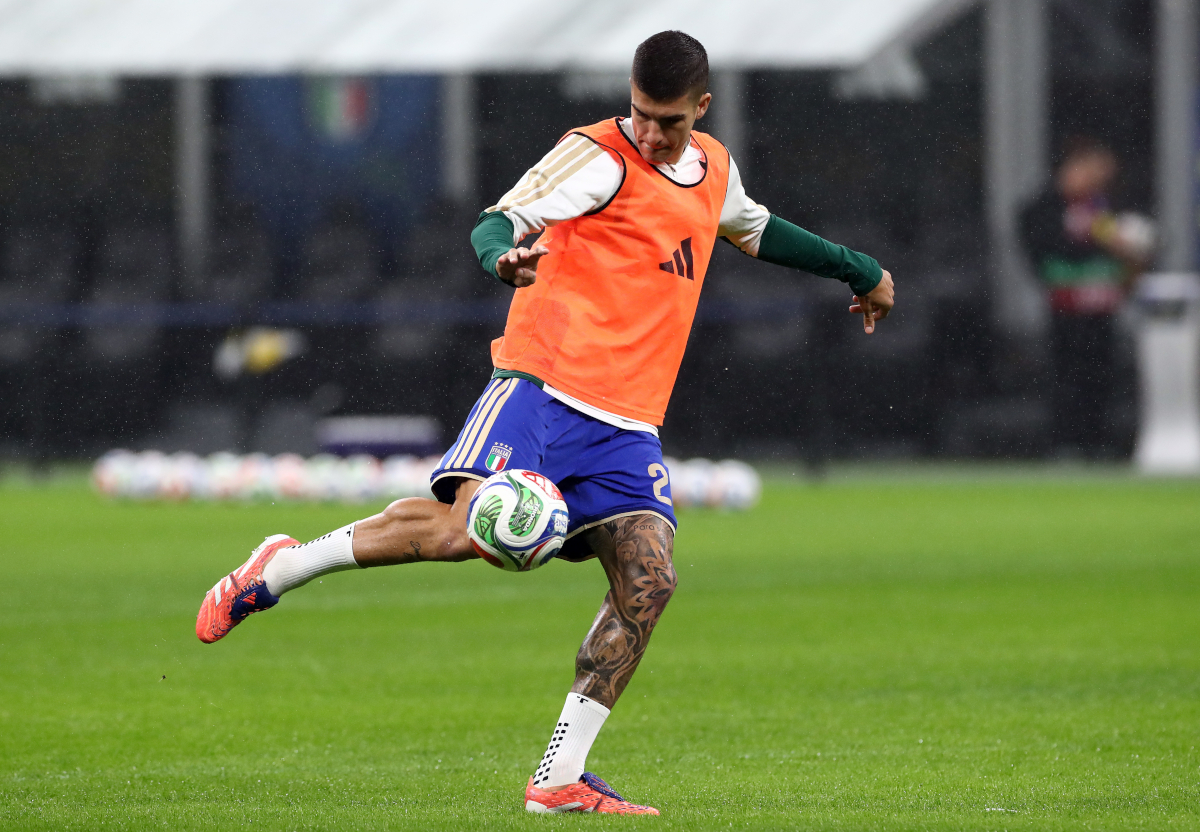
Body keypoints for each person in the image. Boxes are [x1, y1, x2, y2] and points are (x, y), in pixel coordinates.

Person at [196, 31, 894, 815]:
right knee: (460, 534)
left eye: (668, 120)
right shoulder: (595, 156)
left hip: (627, 424)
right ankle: (280, 567)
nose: (650, 133)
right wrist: (501, 259)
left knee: (650, 581)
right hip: (542, 387)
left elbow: (758, 229)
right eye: (639, 113)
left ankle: (560, 775)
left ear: (701, 107)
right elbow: (499, 219)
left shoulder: (715, 170)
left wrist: (859, 269)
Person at [1020, 137, 1153, 456]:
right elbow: (1045, 247)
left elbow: (1134, 250)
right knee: (1066, 375)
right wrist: (1099, 240)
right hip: (1065, 306)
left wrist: (1128, 257)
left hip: (1102, 306)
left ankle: (1097, 441)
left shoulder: (1107, 206)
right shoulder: (1044, 208)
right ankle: (1066, 443)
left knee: (1100, 376)